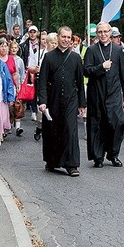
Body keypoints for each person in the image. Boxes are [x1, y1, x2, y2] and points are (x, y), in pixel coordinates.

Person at [38, 26, 85, 177]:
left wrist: (82, 104)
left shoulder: (76, 58)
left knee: (70, 130)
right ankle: (52, 161)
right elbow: (43, 82)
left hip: (71, 99)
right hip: (53, 99)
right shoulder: (49, 57)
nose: (66, 40)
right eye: (63, 37)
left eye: (68, 38)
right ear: (58, 37)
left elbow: (79, 82)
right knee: (53, 130)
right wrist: (42, 101)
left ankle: (71, 164)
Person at [83, 22, 124, 168]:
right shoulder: (91, 50)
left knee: (117, 122)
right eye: (100, 32)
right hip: (96, 92)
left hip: (114, 92)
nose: (103, 35)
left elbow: (123, 72)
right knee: (97, 124)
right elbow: (86, 71)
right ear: (96, 33)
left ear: (110, 33)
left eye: (105, 32)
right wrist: (101, 67)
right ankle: (98, 157)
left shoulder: (117, 50)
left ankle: (113, 154)